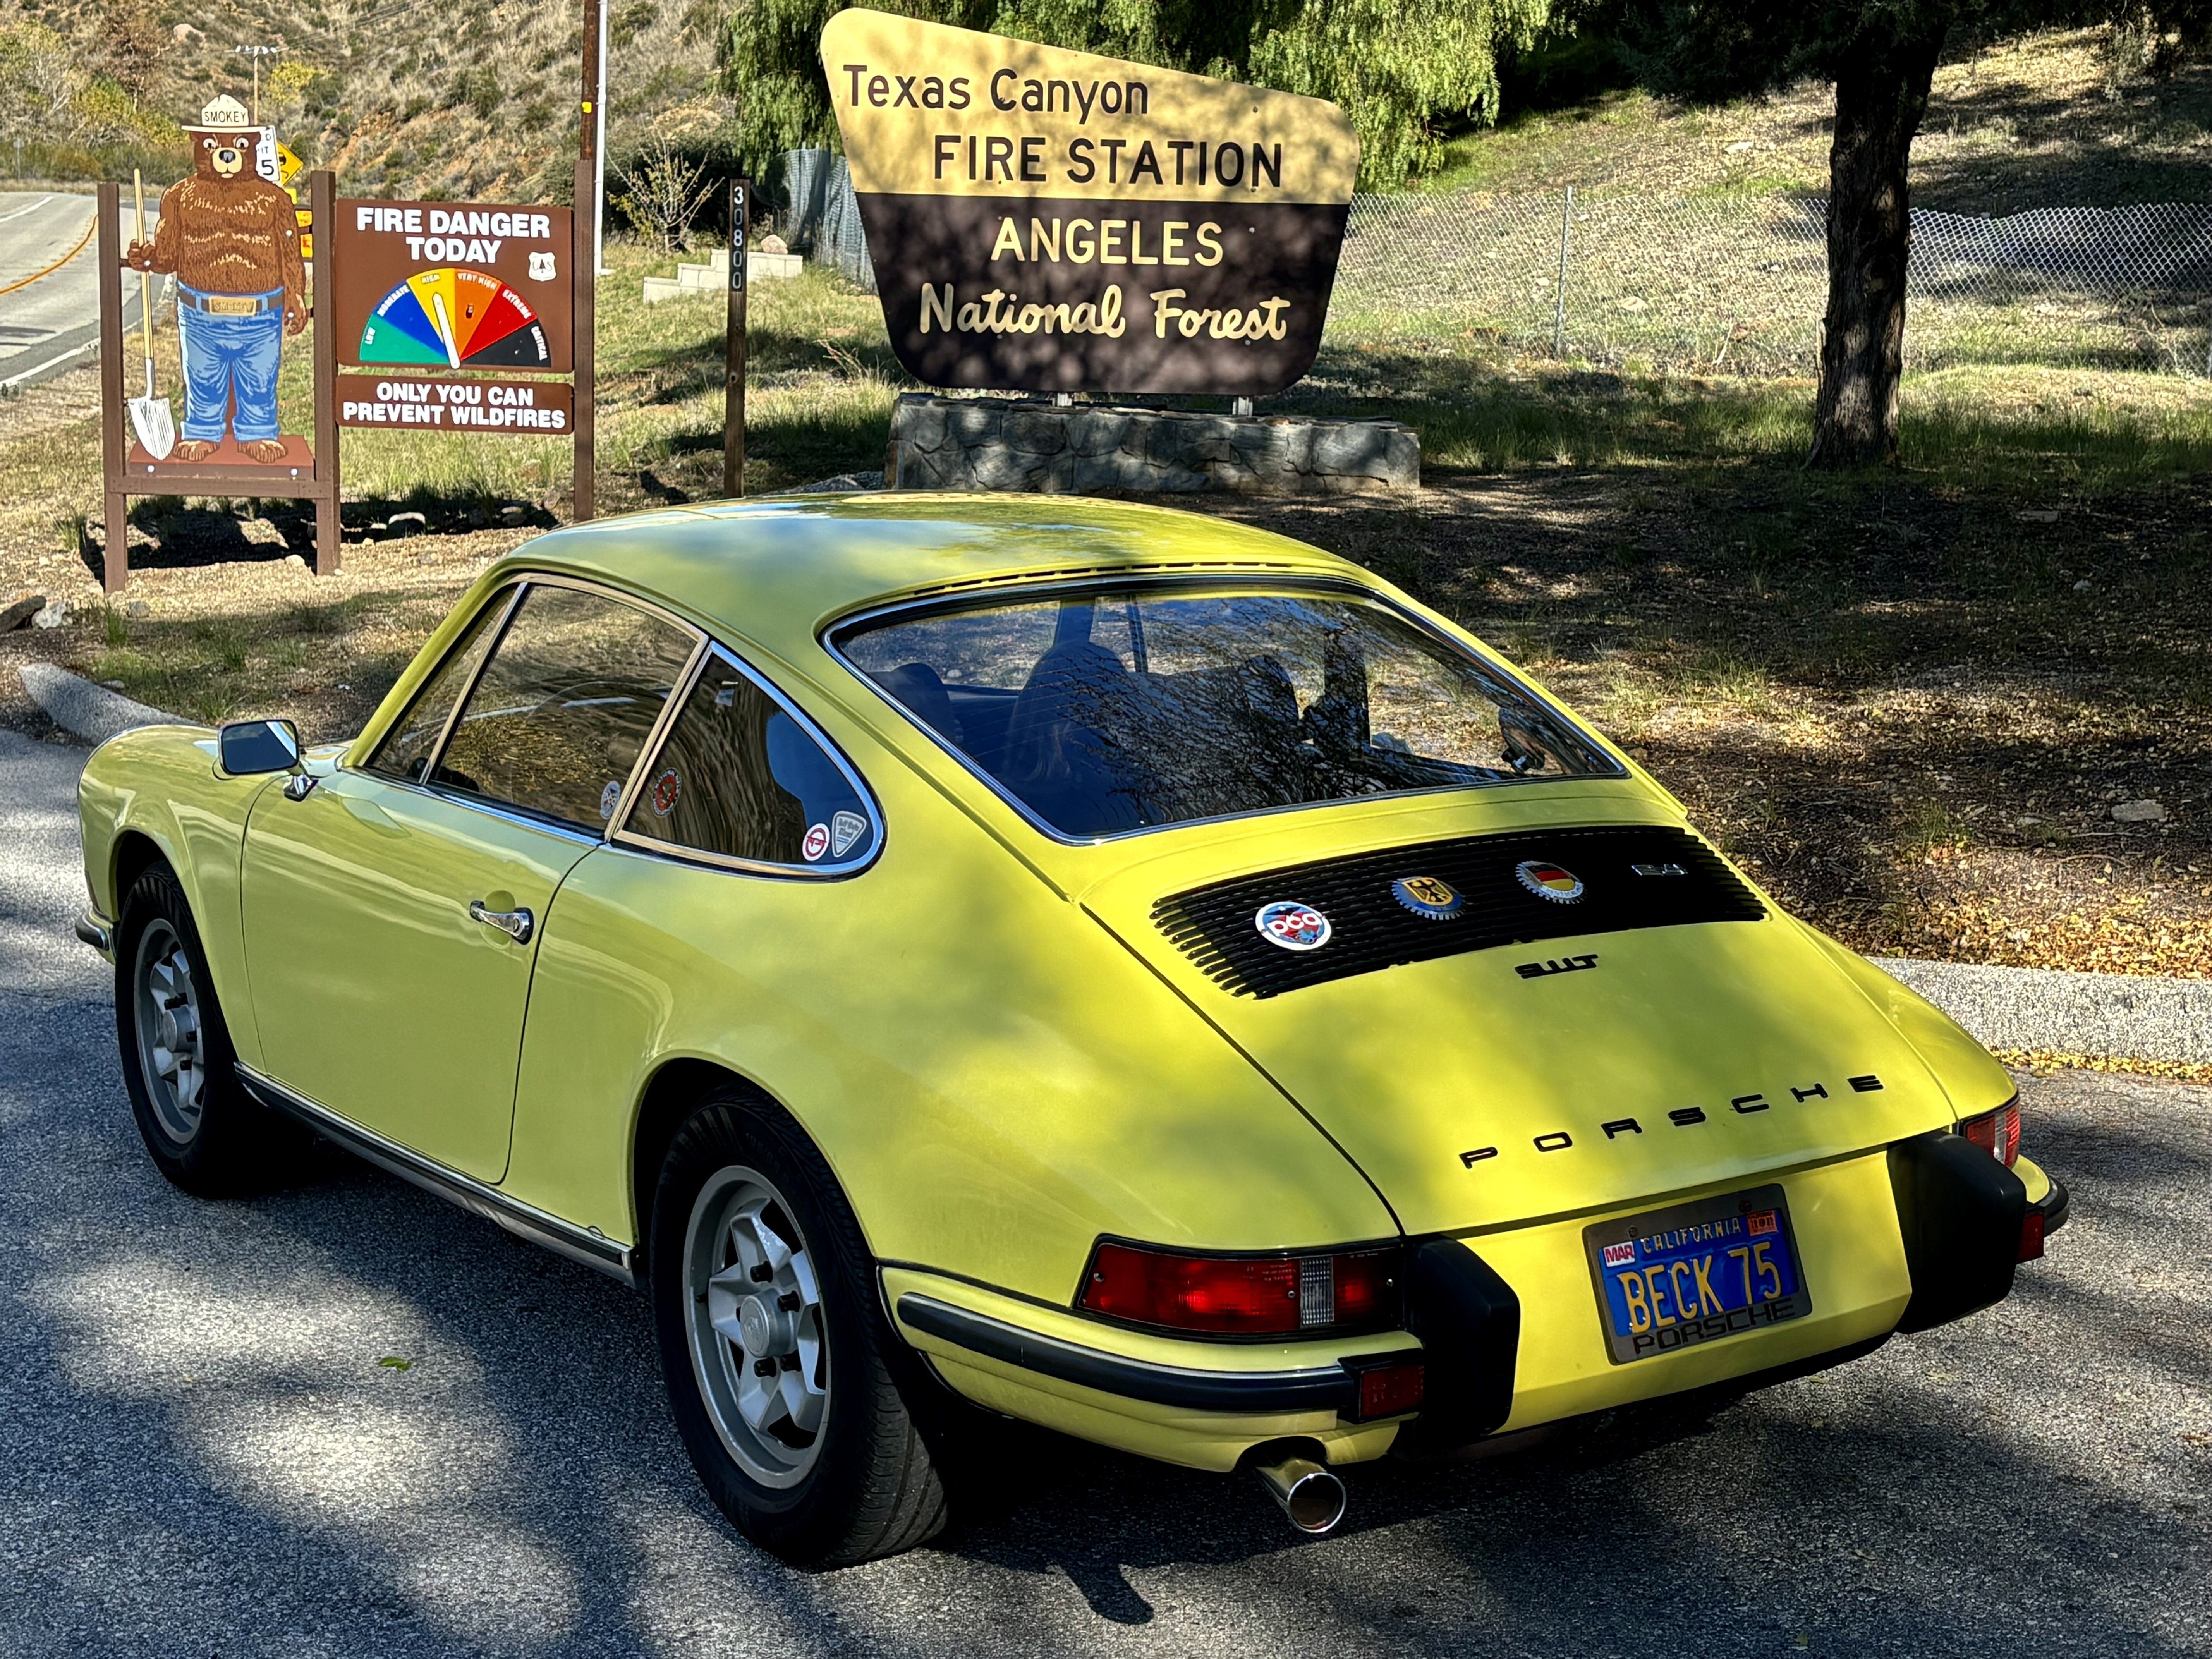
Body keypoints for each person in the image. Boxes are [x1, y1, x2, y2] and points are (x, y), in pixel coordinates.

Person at [125, 94, 306, 464]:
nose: (227, 154)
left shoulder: (275, 201)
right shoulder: (180, 198)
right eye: (213, 145)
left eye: (238, 145)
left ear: (252, 147)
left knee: (260, 380)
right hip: (200, 313)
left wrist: (297, 294)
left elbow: (290, 252)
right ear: (199, 147)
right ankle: (203, 432)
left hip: (261, 313)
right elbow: (169, 254)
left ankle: (257, 433)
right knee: (203, 379)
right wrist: (148, 258)